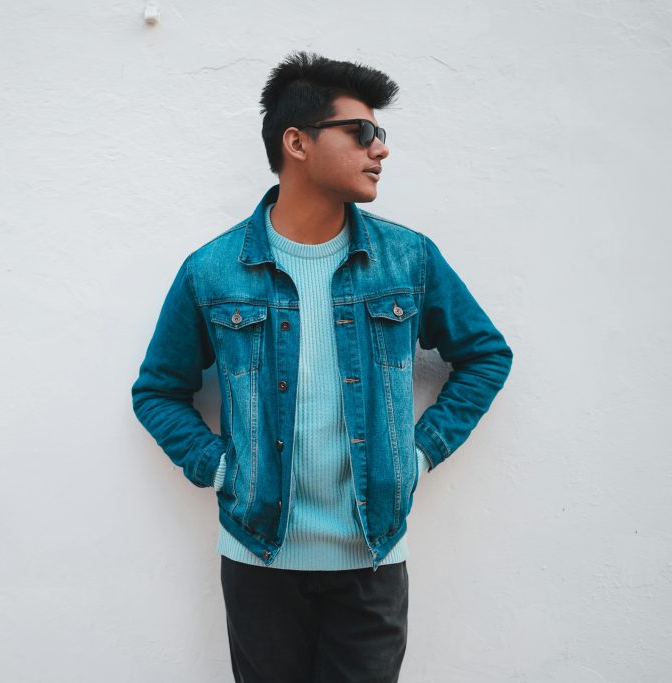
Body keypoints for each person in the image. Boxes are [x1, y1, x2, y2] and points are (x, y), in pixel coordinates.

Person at [130, 51, 513, 683]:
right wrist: (223, 468)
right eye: (362, 132)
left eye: (380, 135)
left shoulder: (408, 260)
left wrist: (415, 456)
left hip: (372, 558)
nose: (380, 150)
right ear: (297, 142)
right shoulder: (214, 270)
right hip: (259, 558)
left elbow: (485, 356)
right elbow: (158, 391)